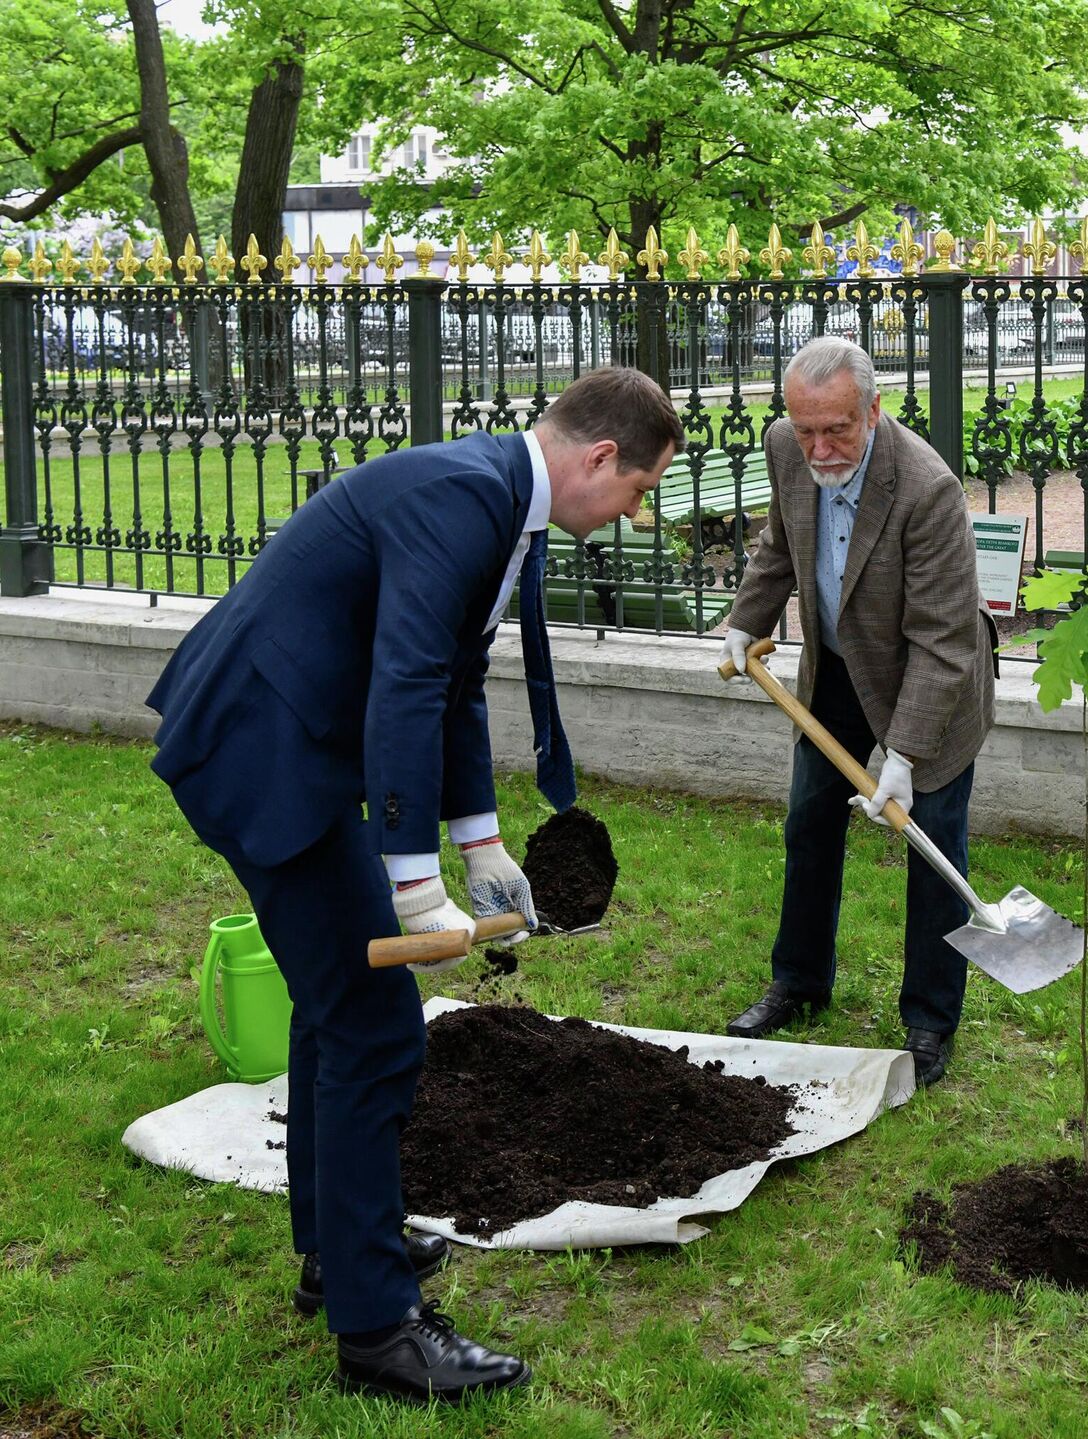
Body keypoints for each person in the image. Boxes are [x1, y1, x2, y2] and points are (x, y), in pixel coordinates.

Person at [145, 368, 683, 1402]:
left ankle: (336, 1255)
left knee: (336, 1009)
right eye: (638, 488)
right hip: (262, 747)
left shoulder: (497, 499)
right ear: (600, 457)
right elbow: (401, 680)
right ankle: (380, 1330)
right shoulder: (465, 497)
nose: (632, 511)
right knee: (377, 1027)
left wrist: (480, 845)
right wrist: (412, 881)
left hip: (280, 739)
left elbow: (455, 682)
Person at [718, 337, 995, 1088]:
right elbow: (784, 542)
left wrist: (902, 757)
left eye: (837, 429)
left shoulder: (927, 488)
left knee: (932, 841)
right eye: (805, 429)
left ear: (874, 410)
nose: (819, 446)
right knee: (810, 822)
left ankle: (931, 1019)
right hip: (838, 665)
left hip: (928, 678)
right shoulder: (787, 447)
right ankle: (798, 980)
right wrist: (748, 619)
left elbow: (943, 642)